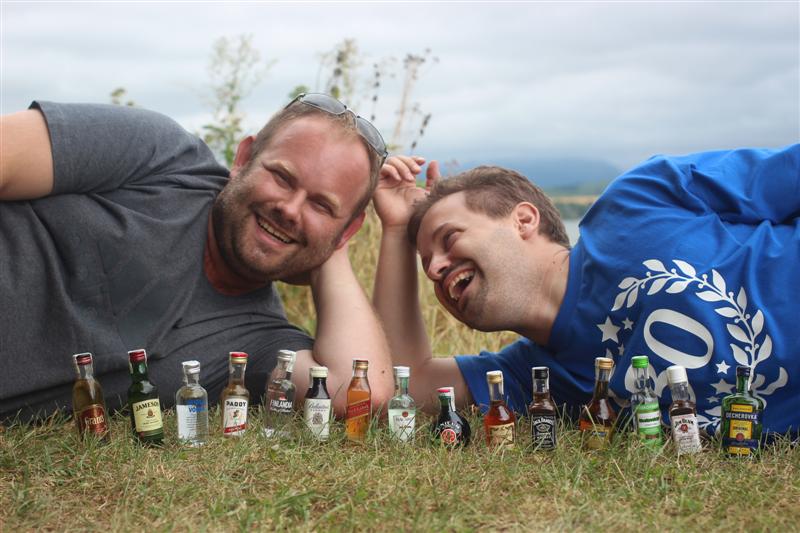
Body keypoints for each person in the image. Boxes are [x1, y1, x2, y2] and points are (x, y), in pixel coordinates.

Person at [0, 94, 395, 422]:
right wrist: (324, 223)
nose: (290, 210)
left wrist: (329, 247)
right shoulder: (161, 154)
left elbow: (359, 395)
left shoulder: (260, 340)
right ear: (243, 158)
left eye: (322, 206)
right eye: (282, 177)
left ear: (347, 232)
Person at [373, 146, 799, 435]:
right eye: (426, 264)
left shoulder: (639, 201)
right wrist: (394, 231)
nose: (435, 268)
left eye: (449, 238)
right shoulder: (537, 378)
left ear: (524, 220)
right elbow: (404, 384)